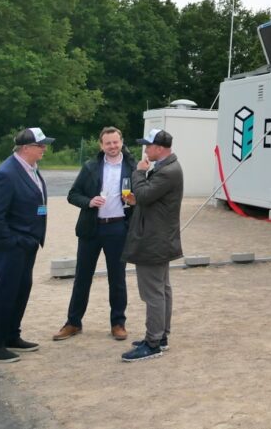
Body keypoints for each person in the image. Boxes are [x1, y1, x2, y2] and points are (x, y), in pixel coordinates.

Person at [53, 127, 137, 343]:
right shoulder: (90, 167)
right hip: (92, 228)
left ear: (121, 142)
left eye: (115, 142)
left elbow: (143, 196)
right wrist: (89, 202)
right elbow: (73, 195)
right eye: (108, 143)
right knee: (82, 277)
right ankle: (73, 322)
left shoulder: (132, 167)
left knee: (117, 278)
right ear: (101, 145)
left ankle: (118, 323)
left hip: (118, 228)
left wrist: (135, 201)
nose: (112, 146)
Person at [0, 127, 52, 363]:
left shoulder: (30, 168)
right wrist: (11, 243)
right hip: (12, 246)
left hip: (27, 243)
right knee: (5, 293)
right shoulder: (7, 173)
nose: (44, 148)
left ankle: (11, 335)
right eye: (40, 145)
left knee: (21, 291)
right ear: (25, 148)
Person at [121, 128, 183, 362]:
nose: (145, 150)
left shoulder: (167, 170)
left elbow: (146, 195)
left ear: (159, 148)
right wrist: (139, 197)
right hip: (159, 238)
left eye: (148, 145)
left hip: (154, 240)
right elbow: (150, 198)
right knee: (162, 289)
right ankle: (161, 336)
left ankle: (153, 342)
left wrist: (138, 173)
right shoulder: (167, 167)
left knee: (153, 293)